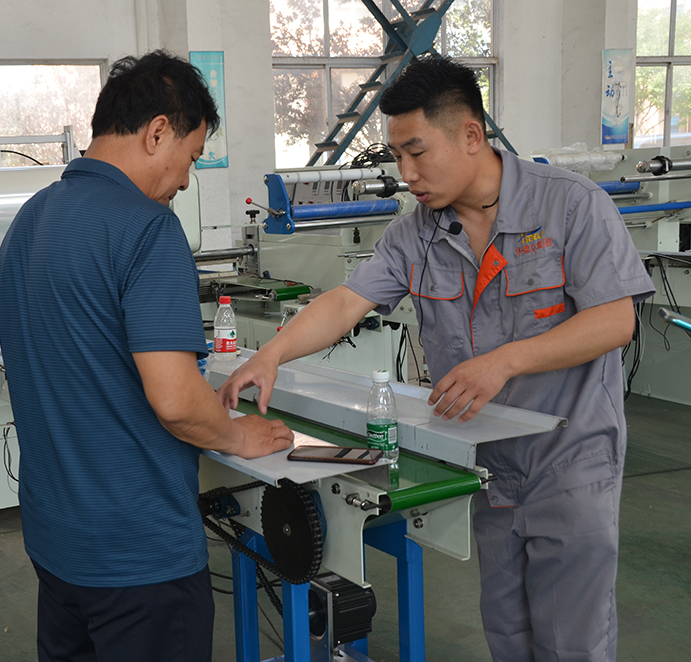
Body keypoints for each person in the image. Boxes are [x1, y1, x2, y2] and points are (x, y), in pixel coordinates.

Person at [219, 55, 654, 662]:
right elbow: (346, 301)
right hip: (487, 465)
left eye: (417, 152)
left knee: (571, 641)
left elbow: (614, 320)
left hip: (569, 461)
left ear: (470, 135)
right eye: (397, 156)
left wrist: (504, 362)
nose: (406, 174)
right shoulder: (416, 233)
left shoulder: (571, 206)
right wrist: (271, 355)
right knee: (508, 632)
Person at [0, 51, 293, 662]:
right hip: (138, 554)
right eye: (192, 157)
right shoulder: (148, 229)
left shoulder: (29, 221)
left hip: (55, 539)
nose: (185, 180)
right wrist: (237, 436)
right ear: (158, 132)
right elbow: (177, 402)